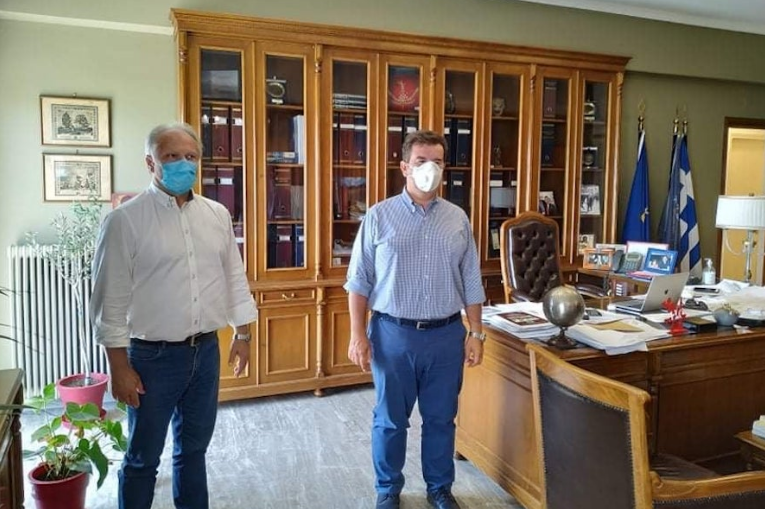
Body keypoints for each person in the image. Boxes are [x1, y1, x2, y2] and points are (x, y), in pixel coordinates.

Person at [90, 122, 257, 509]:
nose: (183, 163)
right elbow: (109, 301)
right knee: (142, 458)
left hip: (205, 353)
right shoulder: (124, 221)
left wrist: (243, 334)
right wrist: (118, 367)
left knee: (193, 451)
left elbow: (233, 277)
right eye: (171, 156)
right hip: (152, 359)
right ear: (151, 163)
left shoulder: (216, 214)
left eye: (190, 156)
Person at [345, 130, 486, 509]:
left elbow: (471, 279)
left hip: (445, 336)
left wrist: (477, 333)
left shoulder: (457, 219)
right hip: (393, 334)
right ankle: (388, 489)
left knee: (441, 419)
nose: (430, 169)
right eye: (422, 161)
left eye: (437, 162)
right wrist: (358, 335)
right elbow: (358, 281)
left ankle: (439, 488)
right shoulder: (379, 216)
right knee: (390, 420)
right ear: (405, 167)